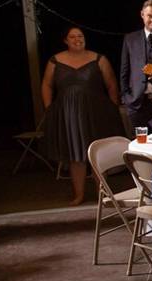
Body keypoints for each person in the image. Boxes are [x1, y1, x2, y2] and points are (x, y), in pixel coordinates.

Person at [41, 27, 125, 205]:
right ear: (65, 40)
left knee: (97, 154)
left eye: (80, 36)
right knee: (75, 154)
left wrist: (113, 108)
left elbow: (111, 85)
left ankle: (103, 193)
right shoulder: (55, 60)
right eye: (72, 36)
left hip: (96, 113)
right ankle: (78, 194)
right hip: (67, 115)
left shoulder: (99, 59)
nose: (77, 39)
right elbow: (47, 85)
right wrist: (49, 108)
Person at [120, 0, 152, 132]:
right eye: (150, 16)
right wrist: (126, 98)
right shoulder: (130, 39)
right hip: (136, 104)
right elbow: (124, 71)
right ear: (142, 15)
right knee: (140, 144)